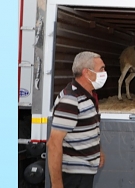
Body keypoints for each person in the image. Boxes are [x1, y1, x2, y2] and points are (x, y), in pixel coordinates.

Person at [47, 51, 107, 188]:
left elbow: (90, 128)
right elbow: (54, 144)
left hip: (85, 173)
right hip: (75, 177)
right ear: (87, 72)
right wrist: (57, 185)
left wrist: (98, 151)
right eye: (101, 69)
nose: (104, 73)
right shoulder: (71, 99)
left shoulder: (88, 95)